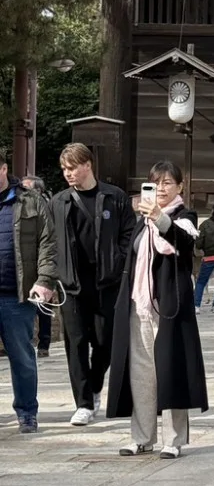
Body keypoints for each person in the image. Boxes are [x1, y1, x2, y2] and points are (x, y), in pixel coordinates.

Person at [107, 160, 207, 458]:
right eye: (155, 183)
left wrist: (160, 217)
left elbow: (183, 242)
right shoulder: (141, 220)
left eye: (167, 183)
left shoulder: (183, 216)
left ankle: (173, 440)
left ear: (179, 186)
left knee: (170, 370)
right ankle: (141, 436)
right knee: (141, 373)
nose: (161, 188)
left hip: (169, 308)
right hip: (139, 305)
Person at [51, 143, 137, 427]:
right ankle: (83, 402)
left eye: (72, 167)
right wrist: (50, 278)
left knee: (105, 342)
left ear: (87, 164)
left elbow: (129, 234)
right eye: (64, 169)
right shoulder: (59, 202)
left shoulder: (115, 197)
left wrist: (119, 259)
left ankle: (96, 383)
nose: (68, 174)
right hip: (72, 283)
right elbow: (50, 242)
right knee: (75, 344)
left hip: (107, 281)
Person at [0, 149, 57, 433]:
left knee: (21, 355)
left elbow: (48, 243)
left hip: (17, 294)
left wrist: (45, 279)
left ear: (4, 169)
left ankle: (26, 412)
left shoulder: (30, 200)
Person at [22, 177, 54, 359]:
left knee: (42, 309)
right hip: (23, 268)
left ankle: (44, 343)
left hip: (41, 267)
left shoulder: (46, 208)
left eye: (27, 188)